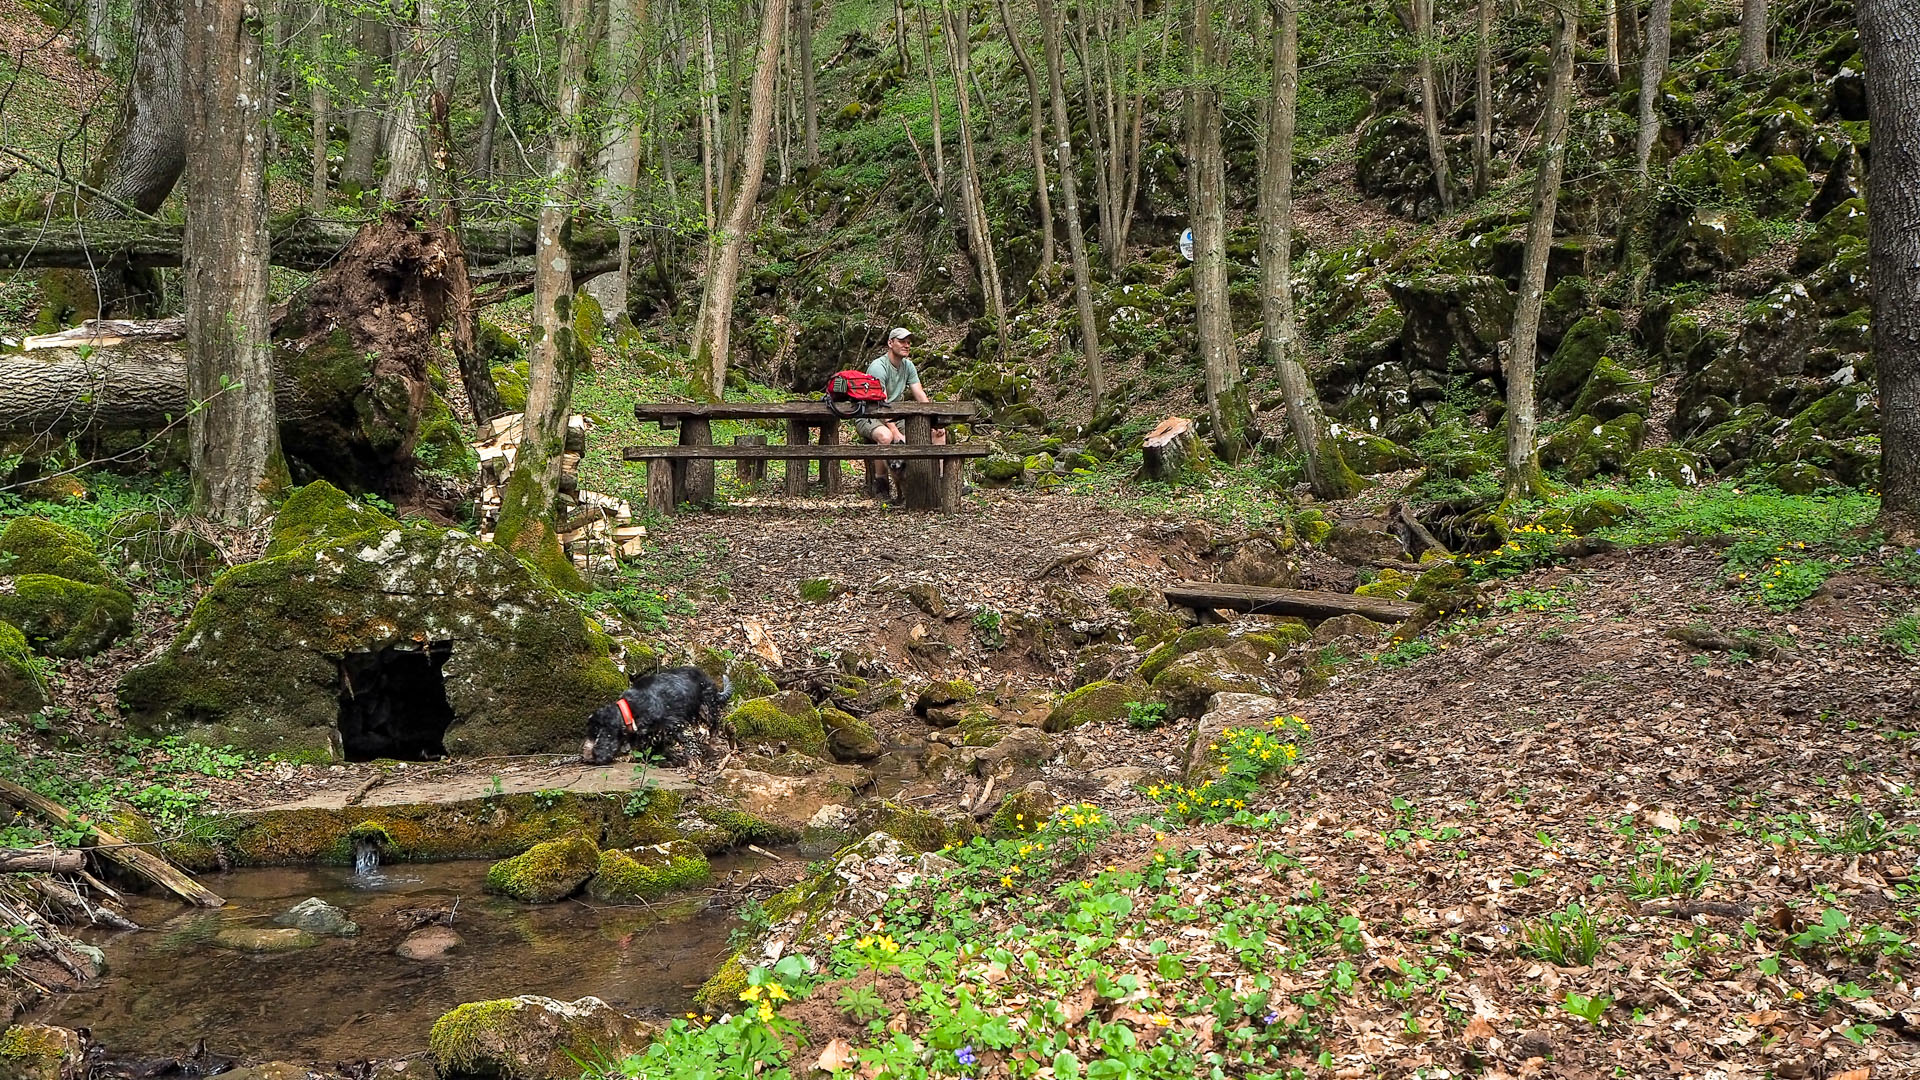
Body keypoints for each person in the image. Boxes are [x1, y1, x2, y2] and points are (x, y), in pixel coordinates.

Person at [855, 327, 946, 499]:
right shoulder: (878, 367)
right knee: (886, 437)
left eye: (908, 342)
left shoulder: (908, 366)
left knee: (938, 434)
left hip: (894, 415)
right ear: (890, 343)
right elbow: (881, 404)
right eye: (902, 341)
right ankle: (881, 484)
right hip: (870, 415)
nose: (906, 345)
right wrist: (895, 432)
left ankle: (939, 482)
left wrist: (934, 421)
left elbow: (920, 395)